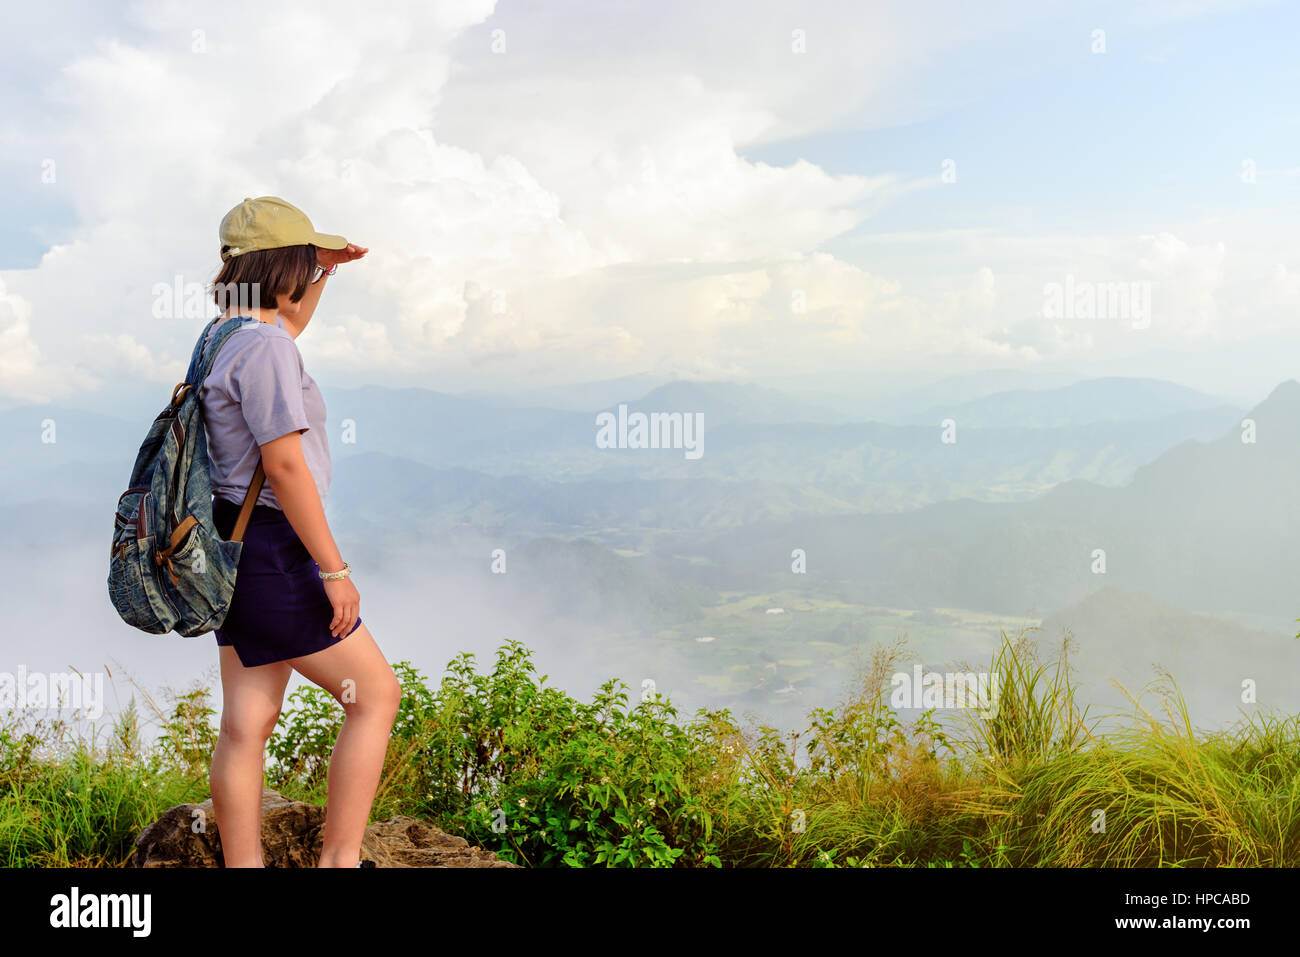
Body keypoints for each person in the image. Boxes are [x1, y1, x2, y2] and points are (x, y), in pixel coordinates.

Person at [199, 196, 399, 868]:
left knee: (246, 724)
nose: (318, 283)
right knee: (374, 694)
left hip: (230, 540)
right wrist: (335, 571)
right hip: (272, 550)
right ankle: (340, 861)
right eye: (310, 269)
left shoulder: (220, 335)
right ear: (284, 270)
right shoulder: (265, 347)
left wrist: (320, 269)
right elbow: (285, 465)